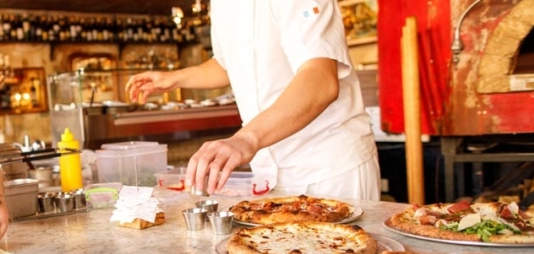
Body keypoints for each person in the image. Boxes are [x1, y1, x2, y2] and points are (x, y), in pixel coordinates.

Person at [126, 0, 380, 201]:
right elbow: (228, 64)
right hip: (270, 170)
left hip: (328, 168)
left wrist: (246, 139)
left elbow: (320, 80)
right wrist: (175, 78)